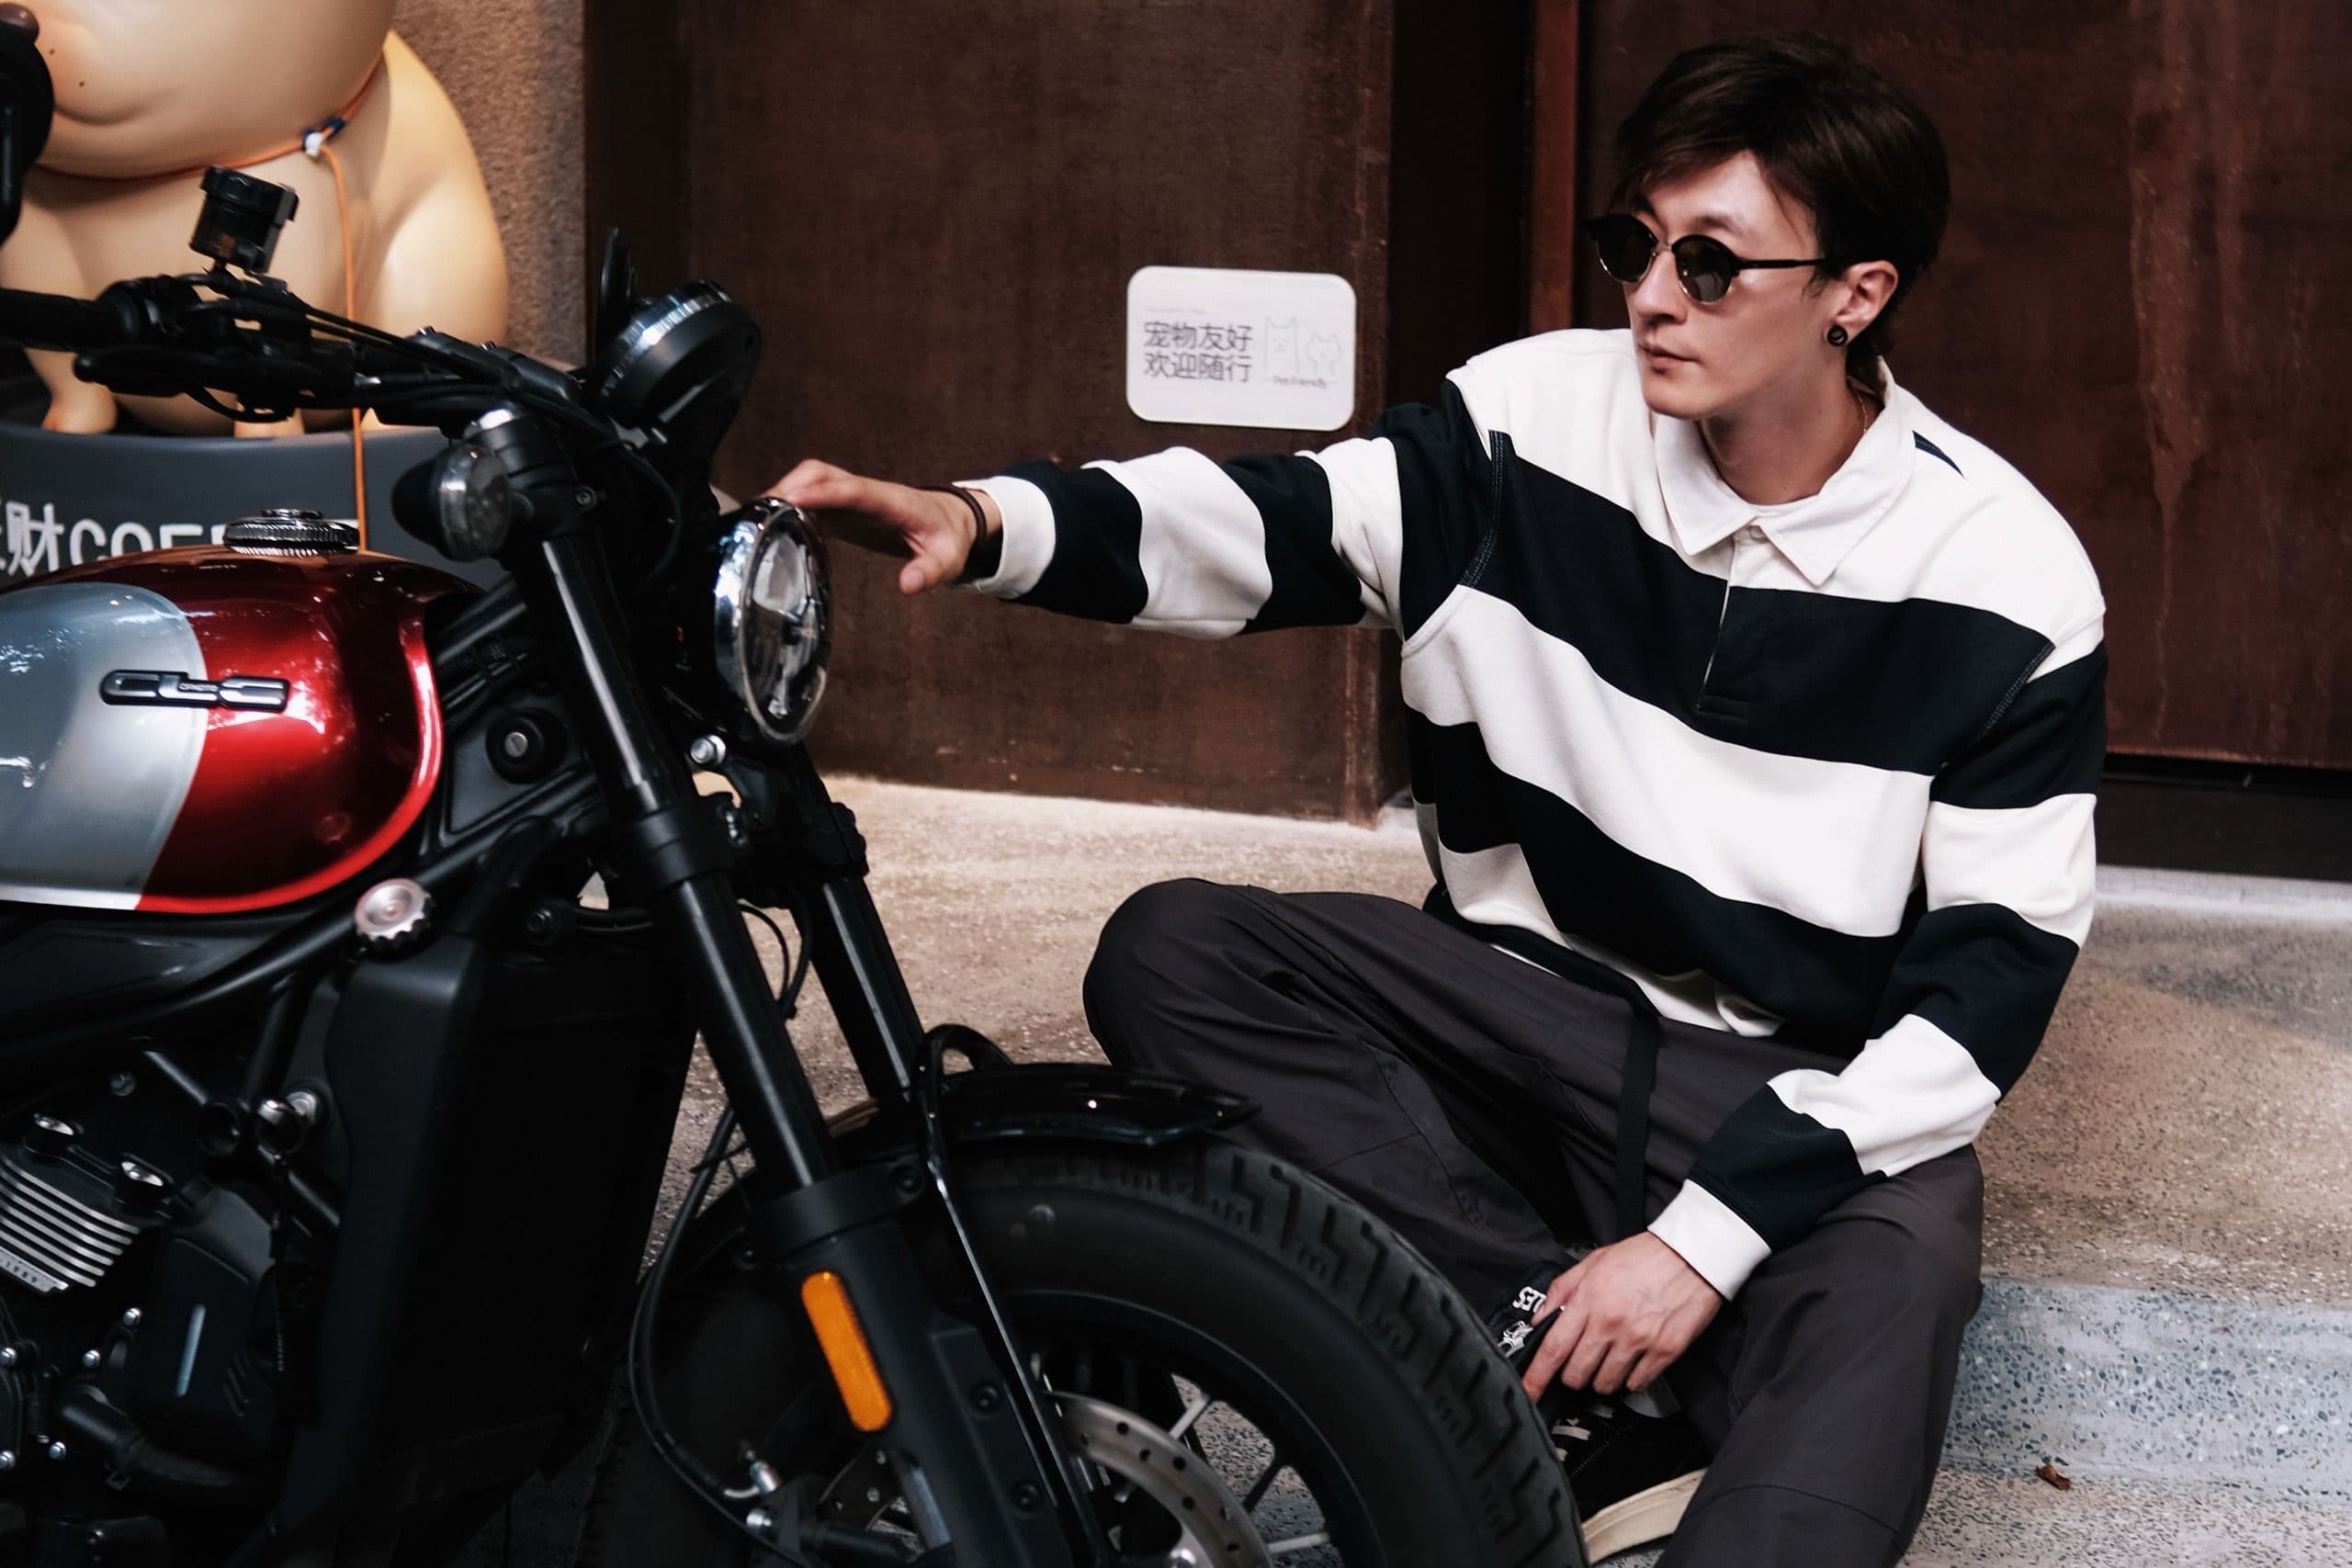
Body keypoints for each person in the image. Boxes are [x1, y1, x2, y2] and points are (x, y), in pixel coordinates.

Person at [767, 31, 2105, 1567]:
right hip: (1498, 1014)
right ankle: (1570, 1369)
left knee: (1903, 1272)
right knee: (1182, 952)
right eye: (1634, 245)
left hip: (1763, 1089)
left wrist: (1697, 1247)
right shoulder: (1530, 419)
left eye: (1714, 266)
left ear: (1857, 295)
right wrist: (982, 517)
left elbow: (1988, 991)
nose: (1654, 297)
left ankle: (1649, 1419)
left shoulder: (2007, 576)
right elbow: (1265, 522)